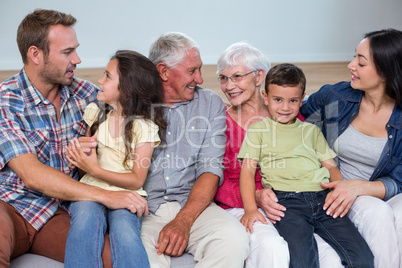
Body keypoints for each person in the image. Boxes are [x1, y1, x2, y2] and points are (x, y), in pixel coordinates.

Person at [0, 9, 147, 267]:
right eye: (67, 52)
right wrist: (106, 195)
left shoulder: (86, 95)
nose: (77, 59)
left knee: (112, 258)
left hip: (56, 212)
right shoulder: (6, 101)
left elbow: (135, 106)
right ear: (36, 54)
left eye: (75, 50)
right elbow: (32, 174)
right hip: (9, 207)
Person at [238, 63, 374, 267]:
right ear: (265, 97)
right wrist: (250, 209)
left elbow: (331, 167)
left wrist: (337, 191)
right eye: (278, 100)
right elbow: (247, 172)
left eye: (293, 101)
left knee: (362, 257)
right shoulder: (258, 130)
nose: (285, 107)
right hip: (287, 202)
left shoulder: (311, 131)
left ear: (302, 100)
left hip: (323, 198)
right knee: (303, 260)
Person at [139, 32, 249, 267]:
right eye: (192, 70)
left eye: (200, 69)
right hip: (145, 209)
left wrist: (184, 221)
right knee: (139, 255)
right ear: (164, 71)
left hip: (193, 205)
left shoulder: (210, 103)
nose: (200, 79)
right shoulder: (134, 103)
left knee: (234, 240)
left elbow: (210, 168)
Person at [299, 28, 402, 268]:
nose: (350, 65)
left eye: (361, 62)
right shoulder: (336, 97)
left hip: (385, 190)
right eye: (354, 56)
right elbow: (293, 116)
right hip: (340, 191)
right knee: (377, 212)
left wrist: (363, 187)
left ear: (386, 71)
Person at [64, 50, 166, 267]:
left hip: (128, 194)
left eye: (108, 76)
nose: (100, 81)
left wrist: (96, 170)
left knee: (125, 231)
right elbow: (85, 165)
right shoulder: (95, 113)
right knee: (83, 221)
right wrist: (80, 154)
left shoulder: (144, 127)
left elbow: (137, 179)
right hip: (90, 189)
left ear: (128, 87)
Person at [213, 42, 291, 267]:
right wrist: (255, 196)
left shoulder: (285, 113)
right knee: (272, 247)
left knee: (327, 254)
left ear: (258, 77)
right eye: (223, 78)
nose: (229, 86)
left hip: (288, 203)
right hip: (238, 207)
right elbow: (214, 181)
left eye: (236, 76)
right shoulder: (220, 122)